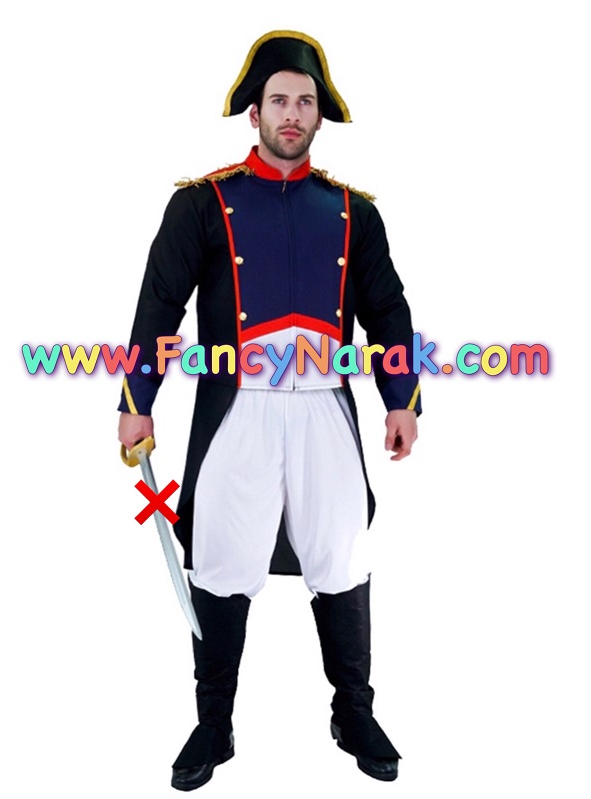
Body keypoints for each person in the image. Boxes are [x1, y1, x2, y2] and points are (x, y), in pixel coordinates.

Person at [118, 30, 421, 791]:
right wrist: (137, 402)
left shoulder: (353, 213)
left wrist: (401, 399)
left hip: (326, 409)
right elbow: (160, 306)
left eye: (305, 102)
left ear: (320, 114)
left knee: (342, 556)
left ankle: (354, 712)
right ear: (254, 112)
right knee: (221, 558)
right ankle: (213, 723)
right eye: (279, 100)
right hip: (238, 410)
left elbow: (387, 311)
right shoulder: (202, 203)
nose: (292, 114)